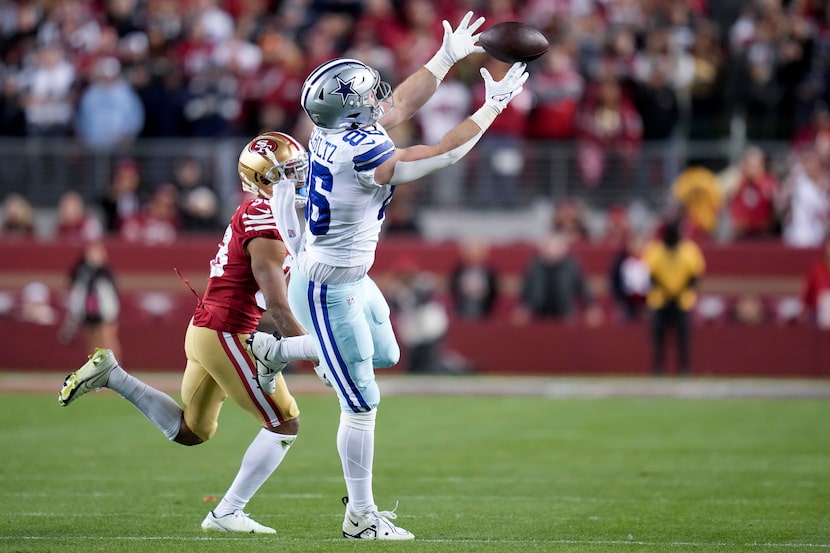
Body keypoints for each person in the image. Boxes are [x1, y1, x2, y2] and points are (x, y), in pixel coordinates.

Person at [283, 11, 528, 540]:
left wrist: (447, 57)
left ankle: (278, 352)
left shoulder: (332, 131)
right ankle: (360, 518)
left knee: (389, 354)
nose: (380, 102)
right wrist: (494, 107)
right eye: (368, 98)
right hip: (327, 285)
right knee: (363, 401)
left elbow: (399, 105)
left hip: (348, 276)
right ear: (351, 112)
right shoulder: (363, 151)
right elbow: (443, 153)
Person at [58, 131, 320, 535]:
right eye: (290, 172)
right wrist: (319, 358)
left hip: (208, 331)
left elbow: (272, 308)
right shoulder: (267, 224)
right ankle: (226, 512)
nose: (300, 178)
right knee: (284, 424)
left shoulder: (259, 212)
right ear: (266, 178)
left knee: (191, 432)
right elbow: (278, 308)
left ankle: (112, 375)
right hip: (228, 333)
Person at [641, 218, 706, 375]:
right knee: (658, 339)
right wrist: (668, 290)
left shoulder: (689, 250)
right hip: (660, 299)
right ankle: (658, 370)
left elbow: (695, 276)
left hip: (682, 301)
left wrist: (677, 291)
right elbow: (649, 276)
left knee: (683, 339)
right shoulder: (655, 250)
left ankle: (684, 369)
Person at [58, 241, 122, 358]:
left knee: (107, 338)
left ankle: (115, 368)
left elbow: (111, 292)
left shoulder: (105, 272)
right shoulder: (81, 270)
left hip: (104, 310)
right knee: (91, 340)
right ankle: (95, 369)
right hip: (87, 309)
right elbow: (73, 284)